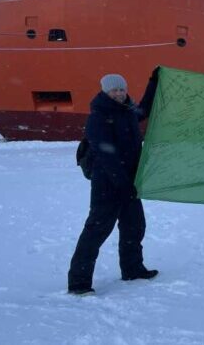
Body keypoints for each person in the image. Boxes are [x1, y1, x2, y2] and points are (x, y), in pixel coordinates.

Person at [67, 70, 159, 295]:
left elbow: (144, 109)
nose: (119, 93)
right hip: (107, 185)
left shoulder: (127, 111)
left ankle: (132, 269)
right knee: (96, 232)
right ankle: (79, 283)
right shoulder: (98, 117)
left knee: (134, 227)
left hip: (128, 183)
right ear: (105, 91)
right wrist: (123, 183)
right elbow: (106, 155)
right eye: (114, 90)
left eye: (121, 89)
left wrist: (154, 82)